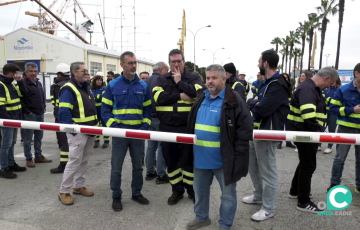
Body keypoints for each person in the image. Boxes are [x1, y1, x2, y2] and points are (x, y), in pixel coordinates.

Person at [180, 64, 253, 230]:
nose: (210, 81)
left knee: (228, 196)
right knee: (200, 192)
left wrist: (238, 157)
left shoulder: (234, 101)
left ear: (223, 79)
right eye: (208, 78)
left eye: (214, 78)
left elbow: (244, 132)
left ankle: (225, 224)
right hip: (200, 159)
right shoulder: (201, 99)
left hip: (224, 161)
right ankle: (201, 217)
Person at [153, 49, 205, 205]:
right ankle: (177, 191)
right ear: (169, 63)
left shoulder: (193, 77)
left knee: (189, 160)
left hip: (188, 127)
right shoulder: (162, 79)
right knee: (171, 160)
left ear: (184, 62)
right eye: (173, 61)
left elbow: (200, 94)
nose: (176, 64)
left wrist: (180, 83)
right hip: (167, 127)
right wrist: (180, 95)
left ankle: (191, 190)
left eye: (179, 61)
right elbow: (158, 98)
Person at [244, 50, 291, 221]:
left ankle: (268, 208)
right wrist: (254, 101)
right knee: (252, 166)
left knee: (268, 172)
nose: (257, 64)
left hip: (267, 133)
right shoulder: (268, 82)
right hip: (255, 131)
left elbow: (262, 108)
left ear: (265, 64)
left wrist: (255, 103)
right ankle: (258, 196)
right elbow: (255, 101)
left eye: (259, 61)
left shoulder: (277, 84)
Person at [102, 51, 152, 212]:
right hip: (119, 135)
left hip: (138, 133)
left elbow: (148, 110)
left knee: (138, 167)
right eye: (130, 63)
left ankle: (136, 193)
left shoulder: (143, 86)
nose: (134, 65)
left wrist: (144, 128)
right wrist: (115, 129)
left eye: (135, 62)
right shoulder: (113, 85)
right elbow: (105, 111)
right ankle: (116, 196)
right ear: (122, 64)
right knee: (116, 167)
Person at [288, 67, 337, 213]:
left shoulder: (310, 88)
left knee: (304, 163)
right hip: (307, 134)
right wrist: (320, 132)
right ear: (327, 78)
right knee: (308, 166)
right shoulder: (308, 89)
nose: (329, 87)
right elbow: (309, 115)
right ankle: (303, 202)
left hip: (306, 133)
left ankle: (294, 191)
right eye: (331, 83)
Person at [58, 62, 98, 205]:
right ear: (75, 72)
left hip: (90, 130)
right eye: (84, 70)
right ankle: (64, 191)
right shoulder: (69, 89)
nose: (87, 73)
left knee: (84, 160)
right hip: (78, 132)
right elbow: (63, 113)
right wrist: (73, 133)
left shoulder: (86, 87)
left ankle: (78, 186)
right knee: (74, 161)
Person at [328, 63, 360, 194]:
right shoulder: (343, 90)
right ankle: (334, 185)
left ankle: (359, 186)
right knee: (340, 159)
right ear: (356, 73)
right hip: (345, 129)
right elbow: (333, 109)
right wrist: (352, 110)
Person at [20, 62, 52, 168]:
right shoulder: (23, 83)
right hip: (30, 115)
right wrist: (28, 111)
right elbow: (21, 100)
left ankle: (38, 156)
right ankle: (29, 158)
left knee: (39, 136)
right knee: (28, 138)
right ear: (26, 72)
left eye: (35, 71)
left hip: (39, 113)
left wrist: (43, 108)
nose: (34, 73)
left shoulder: (38, 83)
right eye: (31, 71)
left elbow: (42, 97)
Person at [0, 64, 27, 179]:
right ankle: (4, 168)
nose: (18, 75)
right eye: (17, 73)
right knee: (6, 145)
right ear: (12, 74)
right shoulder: (1, 85)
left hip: (14, 119)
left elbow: (23, 94)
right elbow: (0, 106)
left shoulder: (11, 83)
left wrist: (20, 82)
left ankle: (11, 164)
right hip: (8, 120)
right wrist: (9, 119)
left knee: (12, 143)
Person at [144, 62, 169, 184]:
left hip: (149, 117)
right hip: (160, 116)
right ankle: (161, 174)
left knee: (151, 145)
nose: (168, 72)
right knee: (161, 146)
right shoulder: (162, 80)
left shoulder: (146, 81)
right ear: (161, 69)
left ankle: (150, 171)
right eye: (167, 69)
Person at [50, 63, 71, 174]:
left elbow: (57, 104)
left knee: (64, 141)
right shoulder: (73, 84)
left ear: (59, 74)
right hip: (73, 117)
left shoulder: (57, 86)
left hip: (61, 117)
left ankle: (63, 165)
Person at [322, 76, 341, 154]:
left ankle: (329, 146)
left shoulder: (339, 90)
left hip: (333, 113)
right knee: (321, 128)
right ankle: (319, 145)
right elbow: (322, 99)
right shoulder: (325, 90)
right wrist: (328, 99)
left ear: (336, 81)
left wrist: (327, 99)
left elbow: (334, 101)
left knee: (331, 130)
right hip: (324, 112)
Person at [278, 73, 297, 149]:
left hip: (289, 109)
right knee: (280, 127)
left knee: (288, 127)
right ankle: (279, 142)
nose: (285, 79)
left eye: (286, 77)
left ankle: (288, 142)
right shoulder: (278, 85)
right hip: (281, 109)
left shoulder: (290, 86)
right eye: (284, 77)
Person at [91, 75, 109, 149]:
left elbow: (103, 97)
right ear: (94, 81)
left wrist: (96, 97)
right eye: (97, 80)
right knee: (96, 125)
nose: (99, 81)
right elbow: (91, 97)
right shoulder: (91, 89)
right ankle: (96, 140)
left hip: (103, 110)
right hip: (94, 110)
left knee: (105, 125)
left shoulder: (104, 88)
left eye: (100, 80)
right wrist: (98, 96)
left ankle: (106, 141)